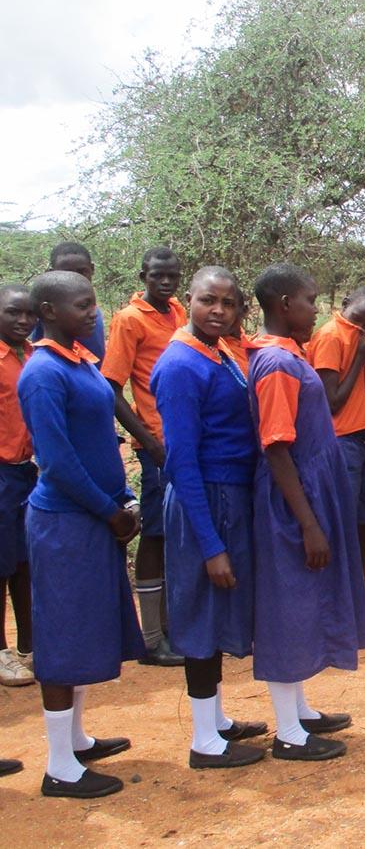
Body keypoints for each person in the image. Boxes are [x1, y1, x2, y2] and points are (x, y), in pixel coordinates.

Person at [18, 271, 144, 799]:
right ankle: (58, 767)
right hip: (66, 522)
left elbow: (98, 436)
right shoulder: (43, 373)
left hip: (94, 518)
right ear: (47, 310)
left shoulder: (80, 360)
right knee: (62, 637)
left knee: (84, 632)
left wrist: (122, 501)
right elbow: (58, 460)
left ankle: (76, 740)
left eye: (93, 302)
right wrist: (108, 511)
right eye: (81, 305)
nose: (92, 312)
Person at [248, 263, 365, 761]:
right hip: (291, 499)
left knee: (304, 600)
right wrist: (309, 523)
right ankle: (287, 733)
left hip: (311, 487)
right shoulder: (276, 365)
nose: (315, 308)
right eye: (308, 299)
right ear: (283, 304)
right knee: (288, 606)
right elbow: (276, 448)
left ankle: (297, 710)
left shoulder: (290, 354)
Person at [151, 267, 267, 770]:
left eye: (228, 302)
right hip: (204, 499)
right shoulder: (180, 366)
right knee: (200, 613)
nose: (218, 310)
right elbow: (181, 461)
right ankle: (204, 741)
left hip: (229, 495)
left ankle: (216, 719)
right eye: (207, 301)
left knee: (219, 613)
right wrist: (209, 544)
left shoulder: (219, 353)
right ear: (189, 303)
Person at [101, 246, 187, 665]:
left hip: (184, 442)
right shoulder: (129, 319)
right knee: (154, 534)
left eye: (172, 275)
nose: (166, 282)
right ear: (143, 276)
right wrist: (148, 440)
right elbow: (112, 389)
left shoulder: (178, 312)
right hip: (156, 445)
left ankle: (173, 628)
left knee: (174, 534)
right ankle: (152, 638)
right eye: (158, 276)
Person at [306, 287, 365, 641]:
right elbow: (330, 403)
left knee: (360, 523)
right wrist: (361, 355)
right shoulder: (330, 336)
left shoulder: (358, 335)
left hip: (358, 440)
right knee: (341, 528)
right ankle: (338, 615)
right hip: (339, 443)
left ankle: (356, 603)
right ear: (344, 306)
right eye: (360, 319)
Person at [0, 284, 37, 688]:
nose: (23, 321)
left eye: (29, 314)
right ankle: (1, 651)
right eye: (13, 313)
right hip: (2, 472)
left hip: (28, 472)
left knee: (25, 562)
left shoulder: (32, 356)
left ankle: (30, 644)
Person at [30, 242, 107, 361]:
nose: (75, 278)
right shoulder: (49, 314)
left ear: (92, 269)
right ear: (51, 273)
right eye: (66, 273)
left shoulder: (93, 311)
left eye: (81, 272)